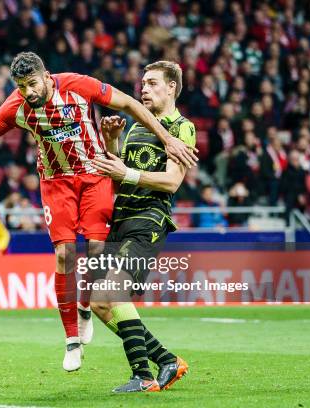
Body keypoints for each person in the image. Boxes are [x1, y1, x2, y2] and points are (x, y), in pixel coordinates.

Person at [0, 52, 197, 372]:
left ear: (47, 76)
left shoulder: (77, 85)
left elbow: (128, 104)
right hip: (55, 183)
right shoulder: (16, 106)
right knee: (65, 255)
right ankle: (72, 340)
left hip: (94, 177)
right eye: (22, 86)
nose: (29, 92)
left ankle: (86, 311)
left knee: (96, 253)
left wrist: (166, 139)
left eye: (33, 84)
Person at [91, 61, 194, 393]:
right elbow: (118, 174)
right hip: (121, 218)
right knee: (100, 302)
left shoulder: (182, 127)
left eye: (151, 83)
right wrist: (112, 140)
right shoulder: (135, 127)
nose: (143, 89)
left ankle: (143, 376)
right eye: (142, 84)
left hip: (148, 221)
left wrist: (127, 174)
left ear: (171, 87)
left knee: (113, 292)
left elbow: (172, 182)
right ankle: (166, 359)